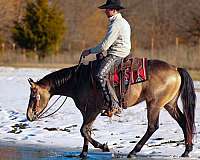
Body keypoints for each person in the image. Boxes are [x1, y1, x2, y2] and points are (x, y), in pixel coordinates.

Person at [82, 0, 131, 117]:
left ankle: (114, 105)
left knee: (100, 75)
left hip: (117, 54)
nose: (105, 11)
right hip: (121, 52)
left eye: (107, 9)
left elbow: (104, 46)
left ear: (114, 10)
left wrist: (89, 51)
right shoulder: (120, 21)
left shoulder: (116, 24)